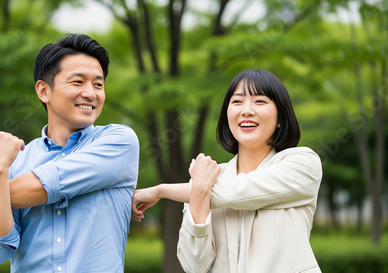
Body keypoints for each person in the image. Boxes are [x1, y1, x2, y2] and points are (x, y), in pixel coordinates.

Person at [0, 33, 140, 273]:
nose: (91, 93)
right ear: (44, 91)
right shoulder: (17, 159)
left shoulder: (119, 142)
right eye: (78, 82)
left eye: (98, 84)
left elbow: (49, 183)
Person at [132, 69, 322, 273]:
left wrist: (163, 191)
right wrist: (198, 189)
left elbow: (239, 191)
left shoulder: (302, 163)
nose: (246, 110)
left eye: (260, 101)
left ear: (280, 118)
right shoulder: (206, 179)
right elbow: (194, 266)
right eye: (237, 102)